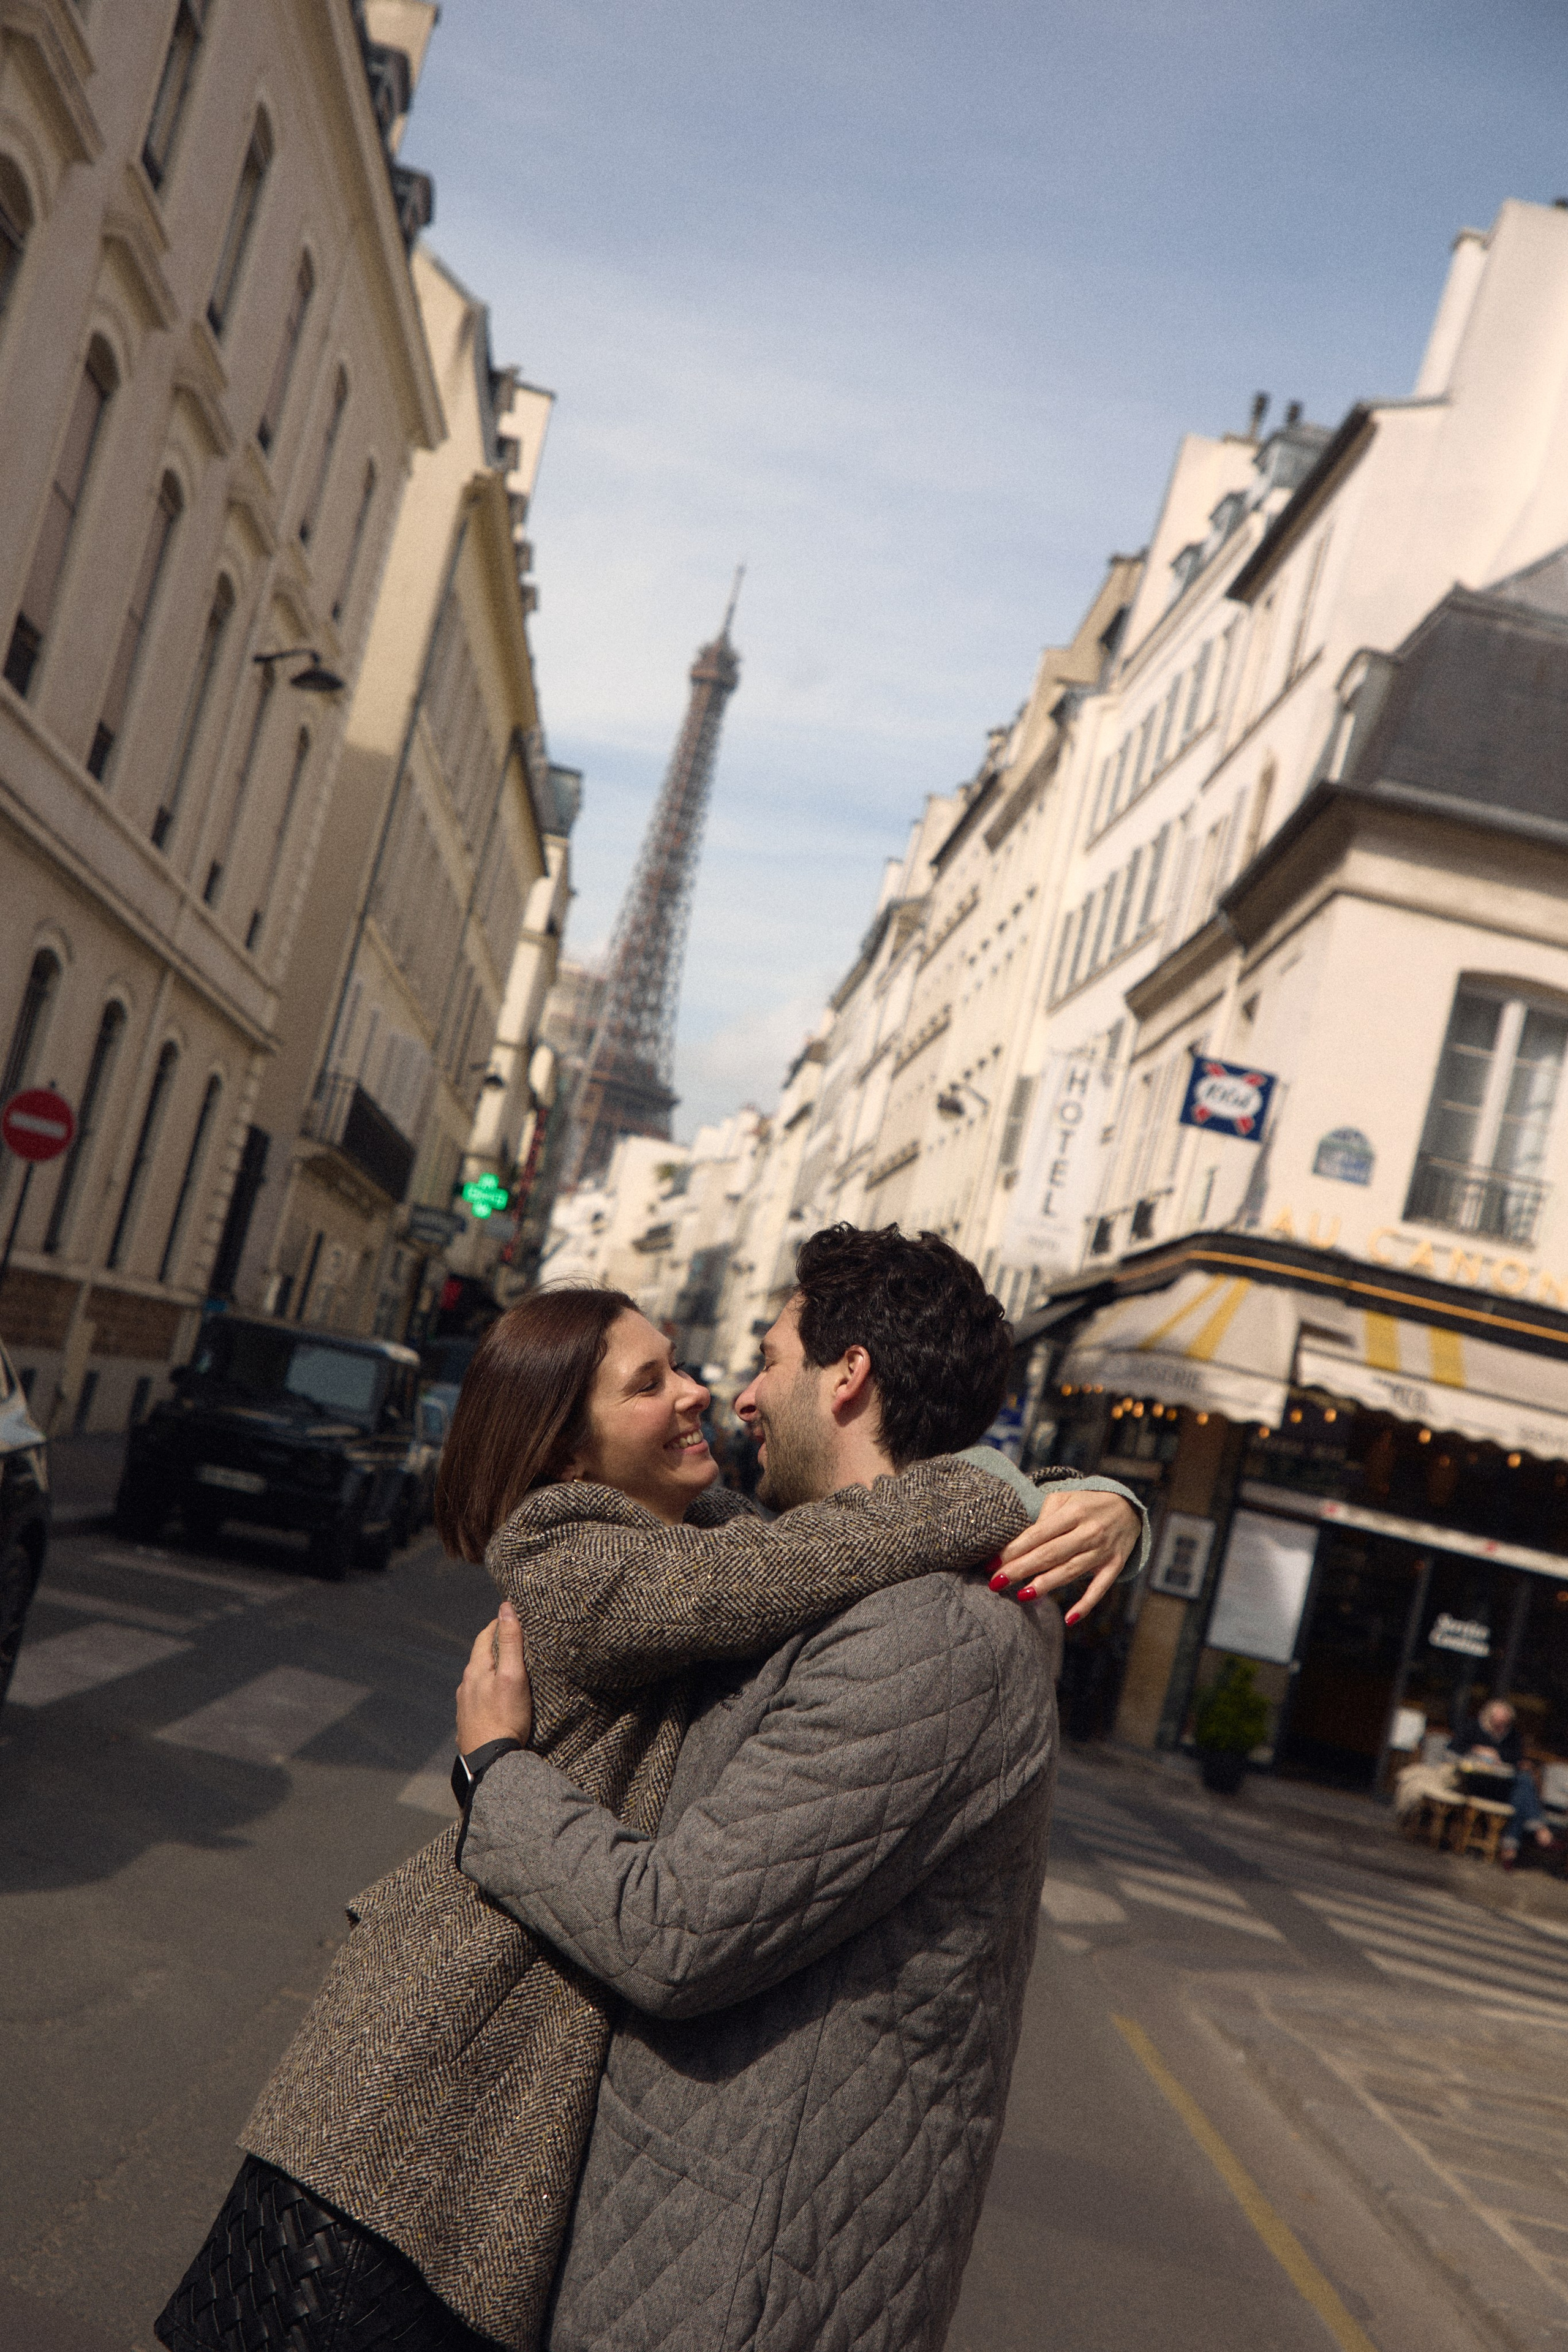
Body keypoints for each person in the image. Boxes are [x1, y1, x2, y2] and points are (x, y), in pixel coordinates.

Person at [155, 1242, 1143, 2352]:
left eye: (712, 1365)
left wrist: (1091, 1499)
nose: (711, 1391)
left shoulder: (734, 1542)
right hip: (433, 2092)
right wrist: (1006, 1488)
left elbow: (822, 1551)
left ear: (849, 1378)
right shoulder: (573, 1551)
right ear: (570, 1448)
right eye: (652, 1382)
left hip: (525, 2119)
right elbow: (797, 1565)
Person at [454, 1225, 1144, 2352]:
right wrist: (1091, 1493)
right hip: (700, 2232)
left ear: (851, 1375)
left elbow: (681, 1931)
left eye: (770, 1358)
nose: (739, 1395)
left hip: (743, 2266)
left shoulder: (934, 1638)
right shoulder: (840, 1575)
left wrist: (499, 1779)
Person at [1450, 1698, 1554, 1864]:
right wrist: (1477, 1749)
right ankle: (1533, 1831)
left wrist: (1497, 1754)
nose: (1500, 1727)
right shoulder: (1473, 1727)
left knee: (1520, 1791)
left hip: (1500, 1786)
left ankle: (1511, 1847)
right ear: (1488, 1718)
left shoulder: (1512, 1735)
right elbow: (1454, 1747)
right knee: (1522, 1787)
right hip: (1476, 1783)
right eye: (1497, 1723)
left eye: (1504, 1724)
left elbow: (1516, 1757)